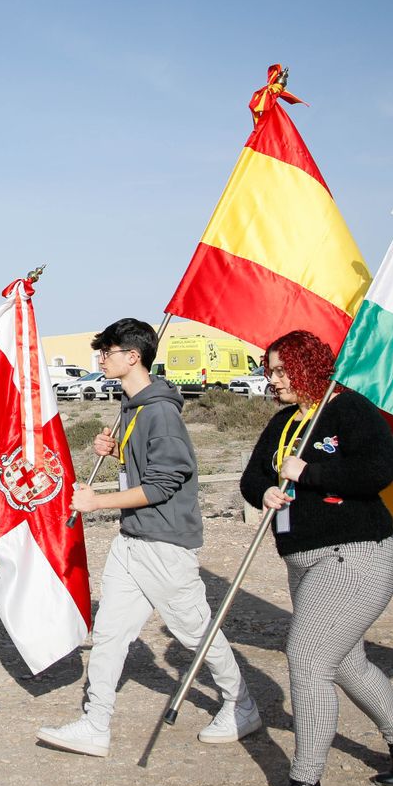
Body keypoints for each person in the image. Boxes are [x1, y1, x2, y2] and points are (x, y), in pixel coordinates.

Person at [238, 329, 393, 786]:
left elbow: (378, 470)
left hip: (354, 554)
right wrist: (265, 492)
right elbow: (252, 477)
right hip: (301, 560)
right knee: (346, 663)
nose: (273, 379)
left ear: (308, 366)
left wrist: (309, 473)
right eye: (270, 370)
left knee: (307, 657)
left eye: (282, 370)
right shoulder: (284, 422)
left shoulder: (349, 409)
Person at [37, 318, 260, 757]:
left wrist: (98, 502)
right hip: (132, 537)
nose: (101, 359)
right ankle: (96, 723)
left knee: (194, 631)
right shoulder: (131, 406)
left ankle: (241, 705)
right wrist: (115, 451)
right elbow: (144, 467)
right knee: (110, 632)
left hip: (164, 542)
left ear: (133, 356)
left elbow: (164, 484)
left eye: (107, 352)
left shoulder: (160, 412)